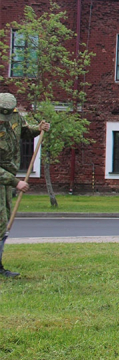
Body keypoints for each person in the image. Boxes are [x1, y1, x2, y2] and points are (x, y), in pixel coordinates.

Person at [0, 93, 50, 277]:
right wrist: (16, 182)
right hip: (5, 177)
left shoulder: (15, 117)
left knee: (3, 221)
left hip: (7, 176)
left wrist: (39, 129)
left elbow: (24, 131)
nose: (6, 116)